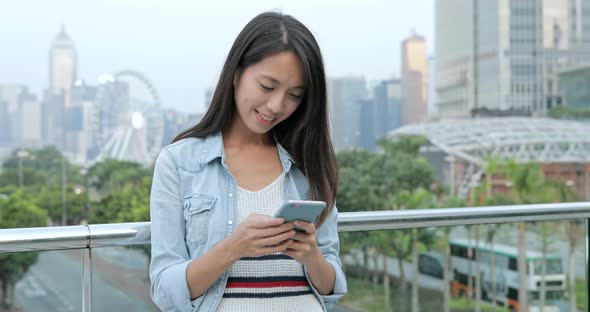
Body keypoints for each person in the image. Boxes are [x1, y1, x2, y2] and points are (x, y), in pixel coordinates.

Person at [149, 11, 347, 312]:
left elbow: (332, 288)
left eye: (294, 95)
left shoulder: (308, 163)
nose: (276, 105)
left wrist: (312, 256)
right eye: (267, 86)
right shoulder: (179, 163)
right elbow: (164, 290)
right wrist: (234, 248)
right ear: (236, 73)